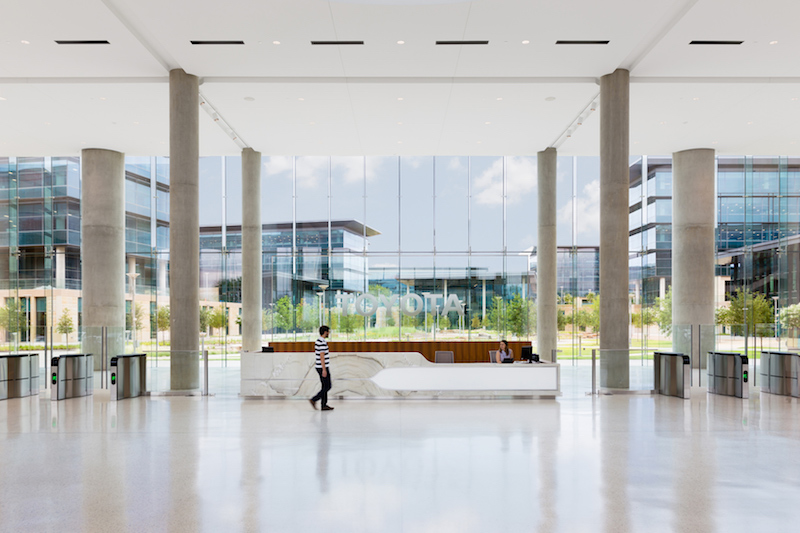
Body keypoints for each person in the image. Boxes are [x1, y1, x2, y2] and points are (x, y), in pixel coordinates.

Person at [309, 325, 334, 411]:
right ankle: (314, 399)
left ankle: (324, 405)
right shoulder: (322, 342)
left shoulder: (318, 341)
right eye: (328, 331)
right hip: (322, 367)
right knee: (328, 386)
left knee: (325, 386)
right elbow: (322, 356)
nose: (329, 333)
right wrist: (324, 369)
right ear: (325, 332)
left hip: (320, 366)